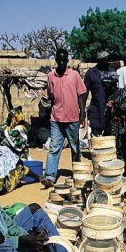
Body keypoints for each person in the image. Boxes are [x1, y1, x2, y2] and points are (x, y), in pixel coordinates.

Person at [42, 48, 87, 188]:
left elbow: (81, 94)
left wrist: (82, 113)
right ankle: (50, 176)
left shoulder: (74, 75)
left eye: (64, 60)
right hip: (56, 118)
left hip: (72, 117)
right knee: (54, 147)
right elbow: (50, 95)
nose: (61, 62)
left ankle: (78, 173)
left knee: (75, 147)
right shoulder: (50, 76)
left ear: (67, 61)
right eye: (59, 60)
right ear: (56, 60)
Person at [0, 126, 28, 194]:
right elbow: (20, 163)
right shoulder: (5, 149)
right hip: (8, 184)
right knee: (20, 168)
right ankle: (39, 177)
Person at [84, 50, 111, 135]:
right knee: (96, 136)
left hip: (110, 109)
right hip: (96, 108)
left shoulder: (112, 71)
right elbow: (85, 92)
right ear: (99, 61)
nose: (107, 61)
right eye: (104, 59)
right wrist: (82, 109)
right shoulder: (91, 73)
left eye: (107, 59)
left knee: (110, 136)